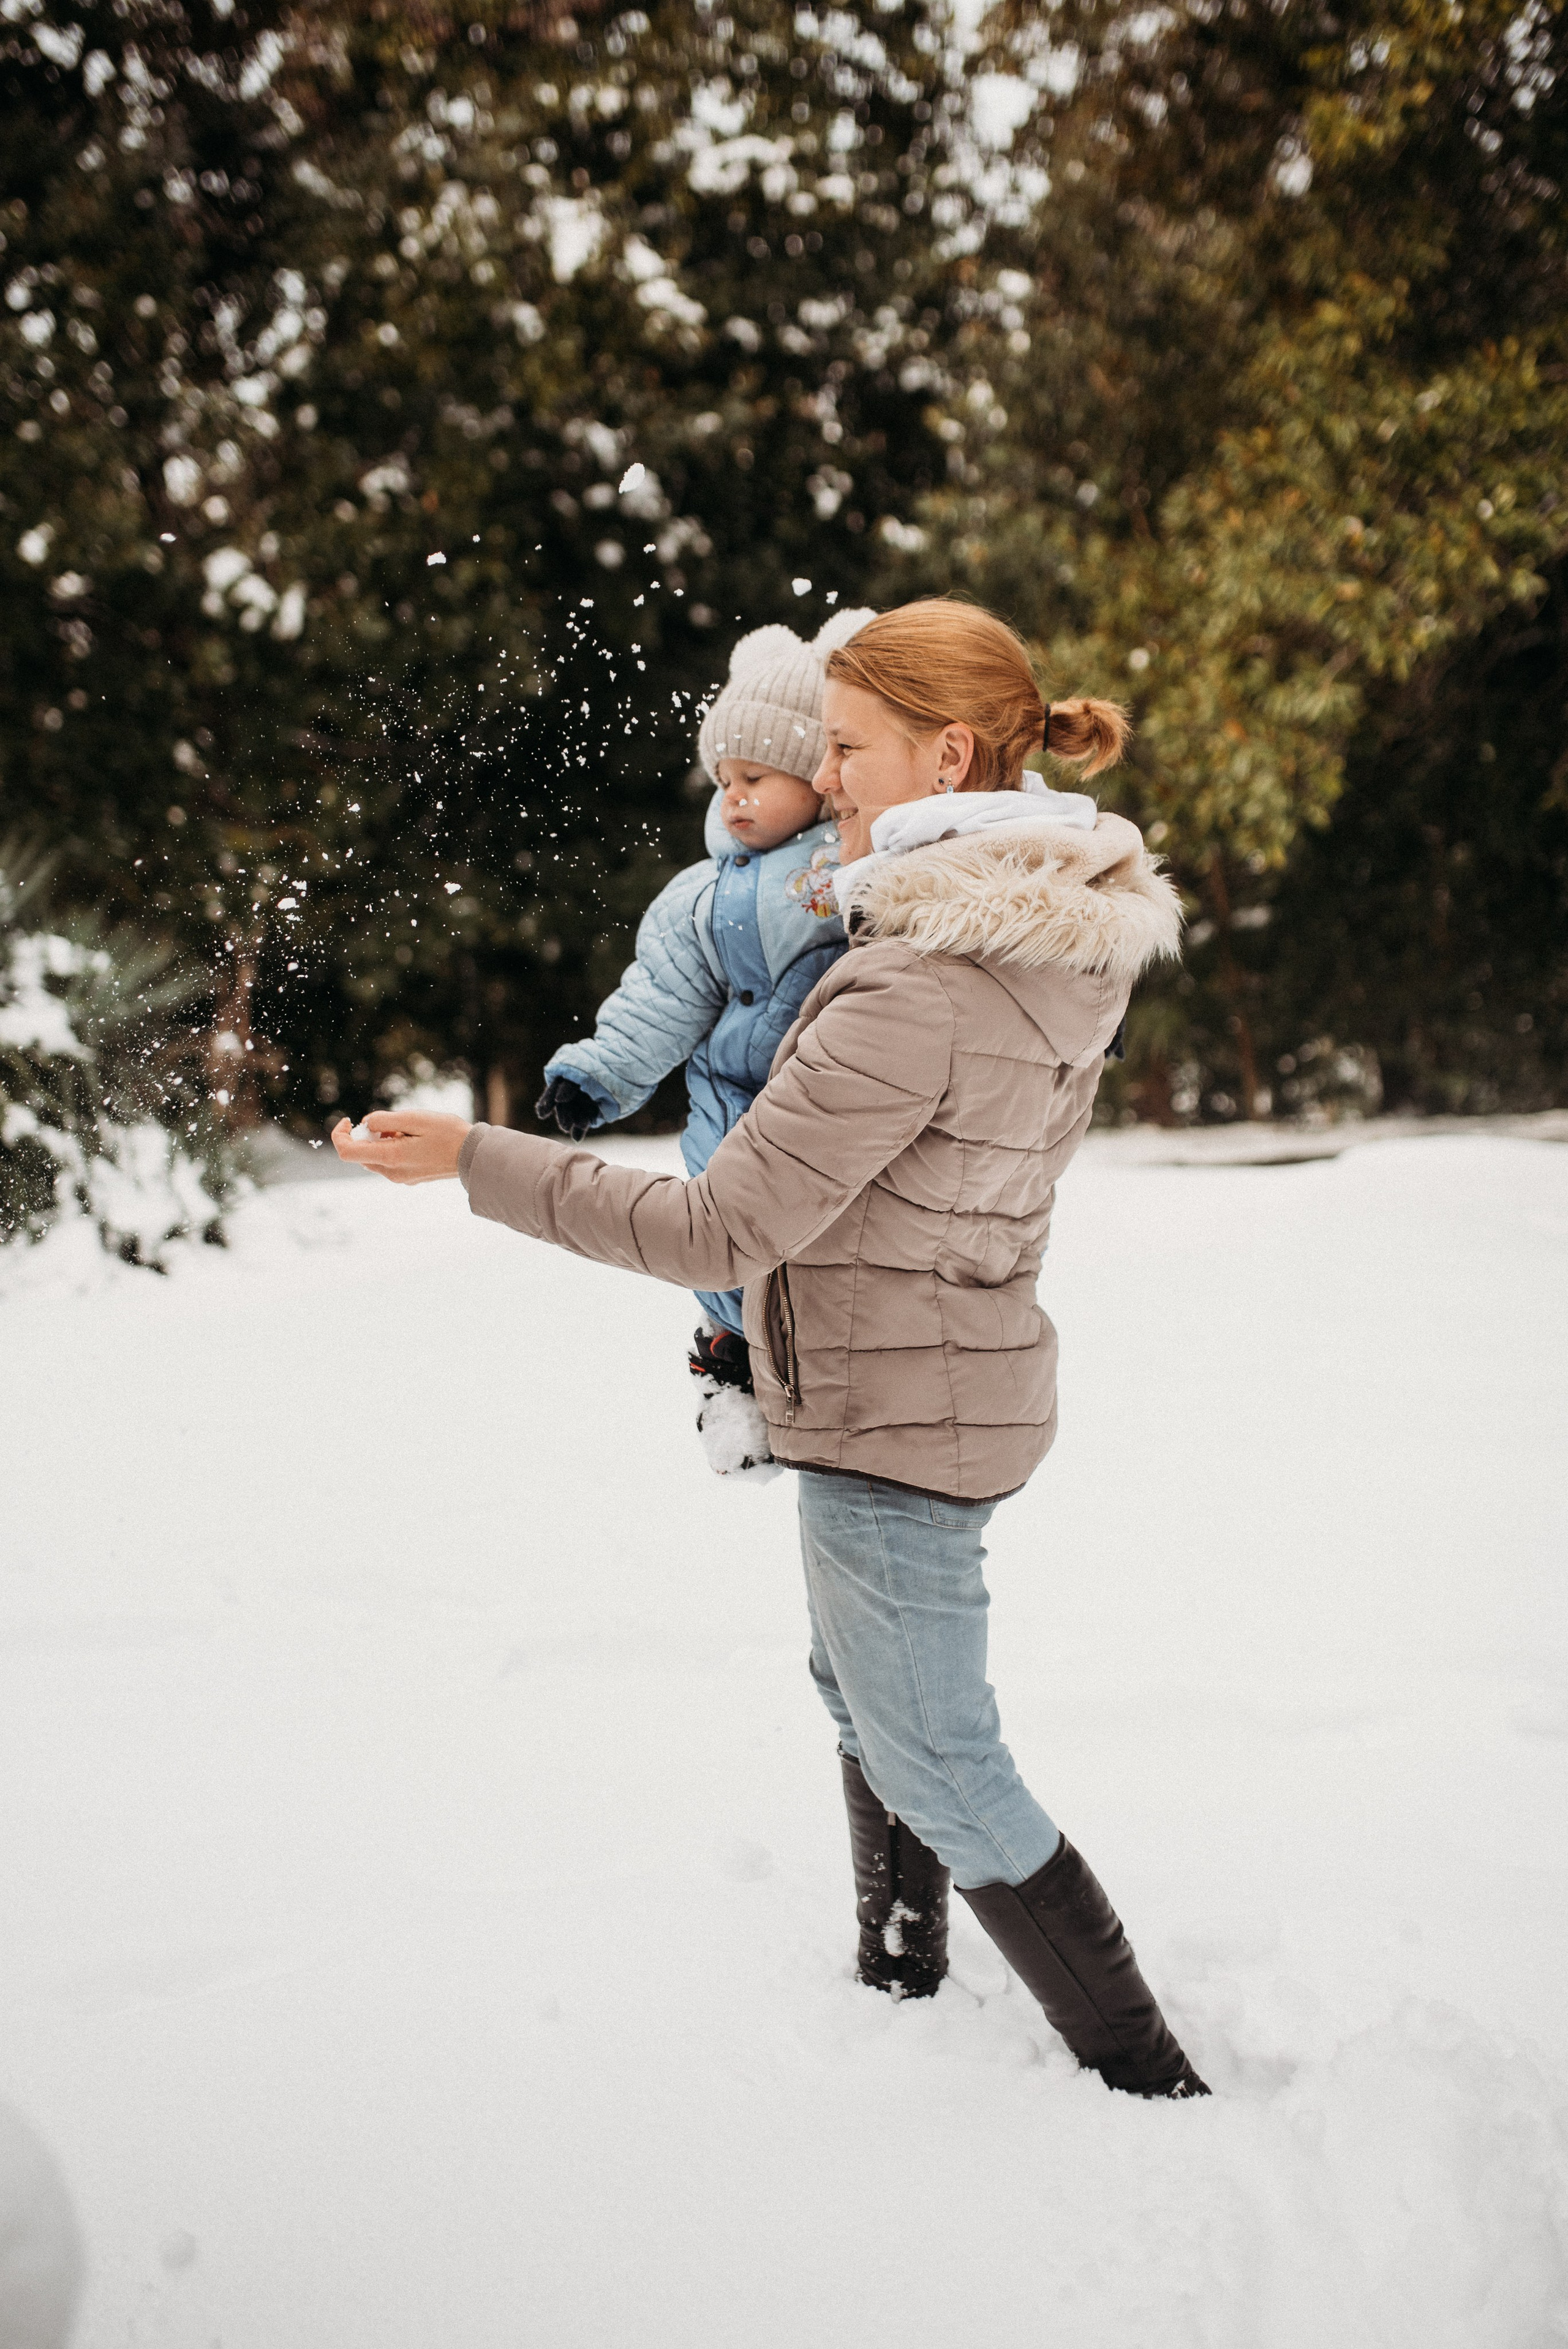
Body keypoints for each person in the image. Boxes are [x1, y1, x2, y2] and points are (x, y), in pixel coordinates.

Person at [333, 597, 1208, 2100]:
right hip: (931, 1369)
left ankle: (1143, 2079)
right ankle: (899, 1971)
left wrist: (473, 1160)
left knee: (939, 1754)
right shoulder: (1029, 936)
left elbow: (714, 1232)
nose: (833, 781)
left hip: (891, 1405)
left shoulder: (914, 984)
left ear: (944, 756)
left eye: (849, 749)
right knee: (862, 1693)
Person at [533, 608, 872, 1475]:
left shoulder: (866, 859)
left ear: (815, 771)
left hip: (825, 1107)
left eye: (757, 774)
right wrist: (599, 1073)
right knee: (720, 1250)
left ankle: (810, 1382)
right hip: (727, 1112)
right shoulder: (698, 895)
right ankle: (730, 1369)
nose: (735, 795)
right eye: (724, 777)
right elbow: (662, 995)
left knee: (824, 1263)